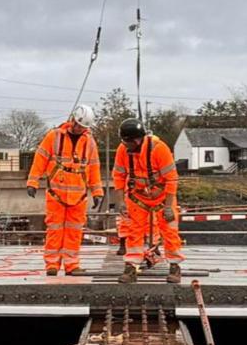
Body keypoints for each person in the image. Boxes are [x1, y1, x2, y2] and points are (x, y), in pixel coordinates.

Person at [27, 106, 104, 276]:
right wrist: (33, 181)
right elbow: (40, 159)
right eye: (78, 125)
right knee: (55, 229)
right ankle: (52, 265)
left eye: (83, 127)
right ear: (72, 120)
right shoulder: (54, 137)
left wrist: (98, 192)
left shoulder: (89, 143)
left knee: (74, 231)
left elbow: (94, 168)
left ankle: (71, 264)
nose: (79, 129)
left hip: (79, 197)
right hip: (56, 195)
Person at [113, 122, 184, 277]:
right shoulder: (123, 150)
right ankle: (131, 266)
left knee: (170, 231)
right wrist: (120, 202)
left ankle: (174, 266)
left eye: (127, 142)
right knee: (134, 231)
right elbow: (118, 176)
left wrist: (168, 206)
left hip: (162, 198)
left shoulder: (159, 149)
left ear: (137, 140)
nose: (124, 145)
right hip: (137, 197)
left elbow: (171, 179)